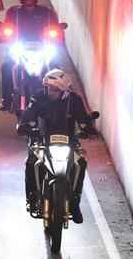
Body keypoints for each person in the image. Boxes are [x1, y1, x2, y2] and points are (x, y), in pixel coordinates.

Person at [20, 70, 97, 223]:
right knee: (30, 162)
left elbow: (83, 118)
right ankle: (32, 197)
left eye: (55, 89)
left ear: (64, 91)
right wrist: (26, 125)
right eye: (48, 88)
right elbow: (29, 113)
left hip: (69, 141)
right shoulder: (38, 97)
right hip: (42, 140)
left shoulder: (74, 100)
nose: (51, 92)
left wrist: (88, 128)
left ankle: (75, 202)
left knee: (80, 164)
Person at [0, 0, 59, 111]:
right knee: (6, 67)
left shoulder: (47, 12)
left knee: (56, 68)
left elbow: (56, 30)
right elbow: (5, 29)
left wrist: (57, 33)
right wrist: (4, 33)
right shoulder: (13, 12)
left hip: (42, 47)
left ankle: (58, 98)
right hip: (19, 47)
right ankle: (6, 99)